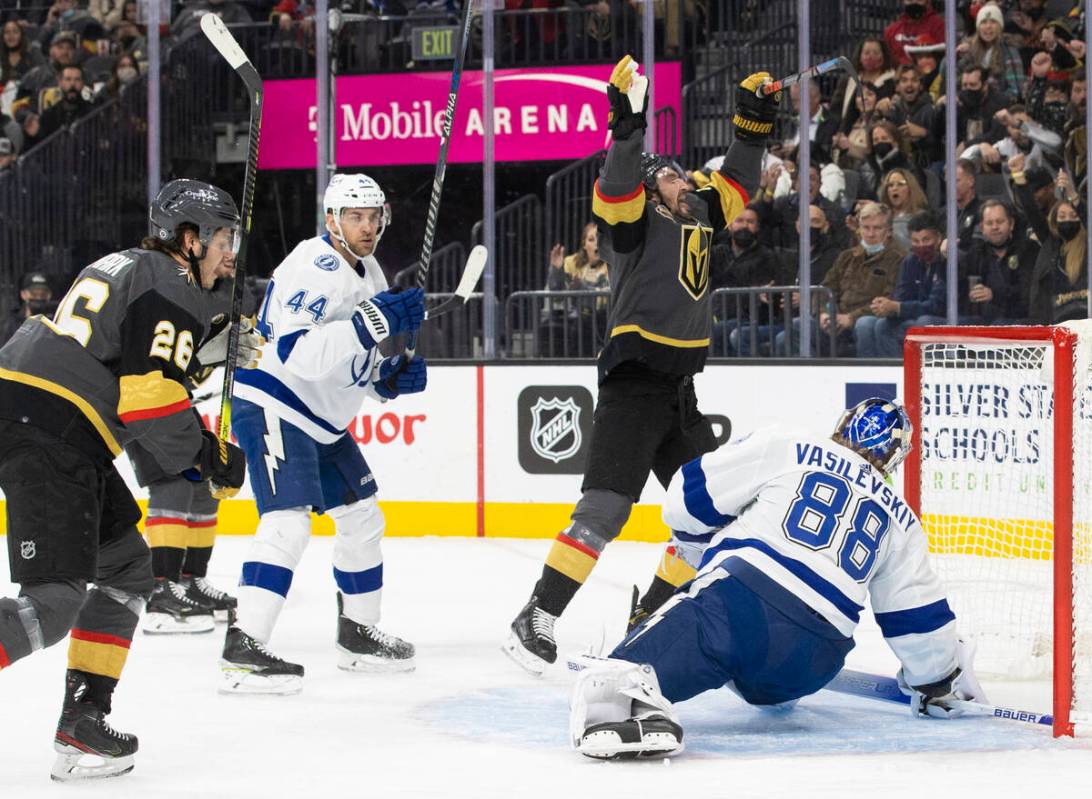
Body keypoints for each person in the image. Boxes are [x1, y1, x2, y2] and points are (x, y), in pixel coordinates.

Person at [503, 56, 772, 675]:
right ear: (654, 187)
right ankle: (537, 617)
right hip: (632, 380)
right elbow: (617, 188)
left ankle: (648, 614)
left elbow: (735, 178)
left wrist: (751, 125)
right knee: (604, 510)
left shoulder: (698, 212)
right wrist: (627, 134)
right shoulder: (635, 220)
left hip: (678, 390)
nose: (690, 182)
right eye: (677, 176)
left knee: (711, 518)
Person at [569, 398, 986, 759]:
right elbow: (916, 617)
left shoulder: (790, 444)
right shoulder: (902, 518)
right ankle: (718, 663)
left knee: (611, 684)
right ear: (897, 457)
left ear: (842, 425)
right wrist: (935, 682)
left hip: (734, 609)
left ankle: (634, 703)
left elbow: (687, 498)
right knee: (742, 654)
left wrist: (700, 546)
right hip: (808, 666)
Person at [0, 179, 249, 780]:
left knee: (125, 570)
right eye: (221, 237)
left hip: (51, 417)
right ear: (187, 240)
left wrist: (205, 349)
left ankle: (82, 724)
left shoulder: (135, 267)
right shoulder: (172, 283)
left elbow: (125, 358)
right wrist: (206, 457)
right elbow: (150, 400)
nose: (230, 251)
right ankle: (80, 728)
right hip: (51, 425)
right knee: (55, 599)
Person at [220, 173, 427, 694]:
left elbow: (357, 362)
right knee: (288, 523)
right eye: (355, 216)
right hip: (274, 402)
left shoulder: (371, 272)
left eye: (373, 216)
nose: (366, 226)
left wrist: (390, 379)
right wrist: (370, 324)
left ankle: (358, 634)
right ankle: (244, 644)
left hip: (321, 419)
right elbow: (299, 354)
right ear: (332, 220)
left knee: (362, 518)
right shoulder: (316, 264)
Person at [776, 202, 903, 357]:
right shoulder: (846, 257)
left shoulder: (898, 260)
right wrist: (824, 313)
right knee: (798, 325)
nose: (870, 234)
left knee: (865, 325)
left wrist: (851, 317)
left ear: (888, 231)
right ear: (859, 229)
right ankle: (810, 377)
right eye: (865, 227)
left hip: (866, 320)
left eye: (877, 228)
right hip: (837, 320)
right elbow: (824, 290)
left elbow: (889, 299)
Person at [854, 210, 946, 358]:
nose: (921, 246)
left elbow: (937, 306)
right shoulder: (910, 261)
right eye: (916, 241)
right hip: (914, 316)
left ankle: (916, 376)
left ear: (938, 238)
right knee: (869, 323)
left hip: (943, 318)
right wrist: (885, 307)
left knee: (924, 322)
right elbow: (902, 296)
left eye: (926, 240)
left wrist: (898, 308)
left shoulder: (946, 262)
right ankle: (884, 376)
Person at [1012, 152, 1089, 323]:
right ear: (1054, 222)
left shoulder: (1088, 243)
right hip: (1056, 320)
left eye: (1073, 216)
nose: (1067, 220)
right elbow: (1032, 211)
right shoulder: (1051, 242)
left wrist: (1072, 194)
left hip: (1086, 320)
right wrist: (1018, 175)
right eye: (1062, 217)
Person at [957, 199, 1037, 324]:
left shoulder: (1027, 250)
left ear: (1011, 224)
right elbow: (959, 287)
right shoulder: (977, 252)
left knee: (998, 324)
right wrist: (948, 258)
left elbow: (1026, 292)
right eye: (989, 223)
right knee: (954, 323)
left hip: (1019, 321)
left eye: (1000, 222)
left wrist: (994, 294)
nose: (995, 227)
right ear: (982, 228)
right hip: (984, 322)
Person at [0, 271, 54, 348]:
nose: (39, 298)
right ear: (23, 294)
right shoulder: (9, 324)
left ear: (49, 296)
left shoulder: (55, 323)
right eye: (34, 294)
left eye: (43, 294)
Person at [879, 167, 928, 250]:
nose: (894, 188)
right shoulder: (881, 217)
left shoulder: (921, 217)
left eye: (900, 184)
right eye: (890, 185)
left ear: (911, 188)